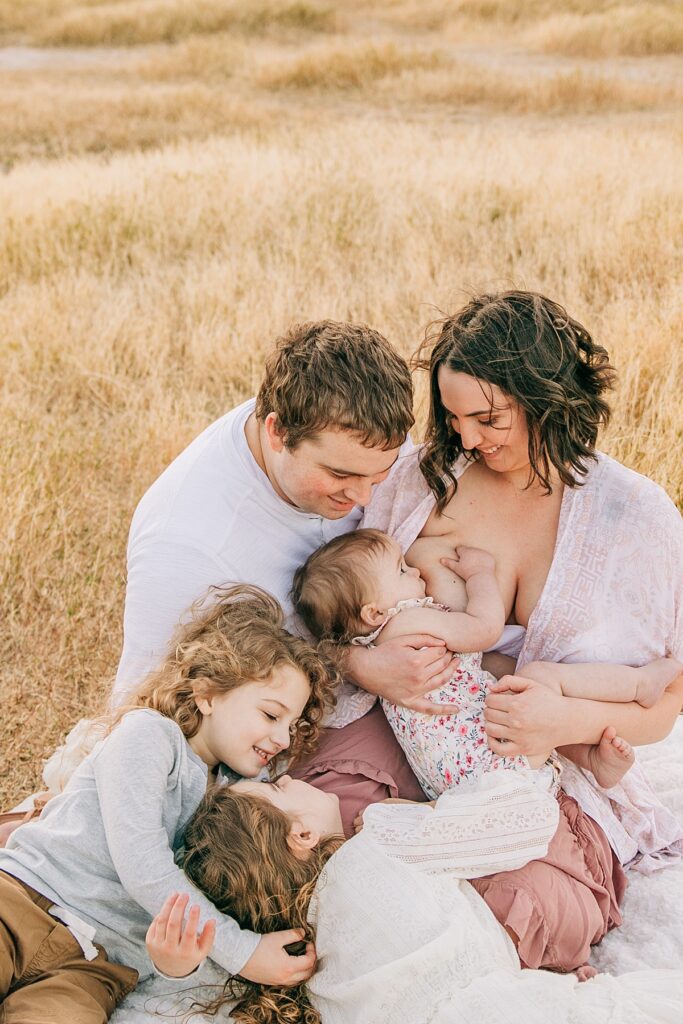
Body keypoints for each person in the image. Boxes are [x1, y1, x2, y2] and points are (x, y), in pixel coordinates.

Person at [358, 289, 683, 973]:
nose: (469, 438)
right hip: (402, 730)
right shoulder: (420, 482)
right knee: (328, 843)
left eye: (489, 418)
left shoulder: (634, 516)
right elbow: (335, 613)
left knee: (511, 905)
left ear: (547, 398)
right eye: (453, 418)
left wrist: (559, 719)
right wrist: (367, 669)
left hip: (541, 768)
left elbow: (663, 705)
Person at [111, 319, 457, 834]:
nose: (363, 499)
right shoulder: (188, 545)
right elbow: (152, 713)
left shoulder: (352, 437)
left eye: (378, 475)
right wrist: (359, 665)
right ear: (276, 432)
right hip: (270, 751)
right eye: (340, 476)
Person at [0, 586, 337, 1021]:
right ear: (208, 694)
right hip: (25, 901)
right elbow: (142, 864)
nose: (283, 739)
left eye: (292, 725)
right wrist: (244, 953)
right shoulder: (150, 737)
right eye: (272, 715)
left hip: (96, 966)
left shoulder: (239, 797)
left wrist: (177, 963)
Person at [144, 780, 683, 1024]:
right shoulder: (379, 836)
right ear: (301, 835)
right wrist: (530, 773)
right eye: (279, 788)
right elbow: (518, 823)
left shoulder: (303, 961)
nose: (289, 775)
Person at [293, 528, 681, 798]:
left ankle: (589, 758)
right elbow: (484, 629)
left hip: (457, 782)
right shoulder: (409, 620)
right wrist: (480, 576)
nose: (414, 571)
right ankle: (639, 685)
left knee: (501, 679)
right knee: (535, 679)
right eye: (400, 570)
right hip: (490, 762)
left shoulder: (372, 645)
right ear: (374, 612)